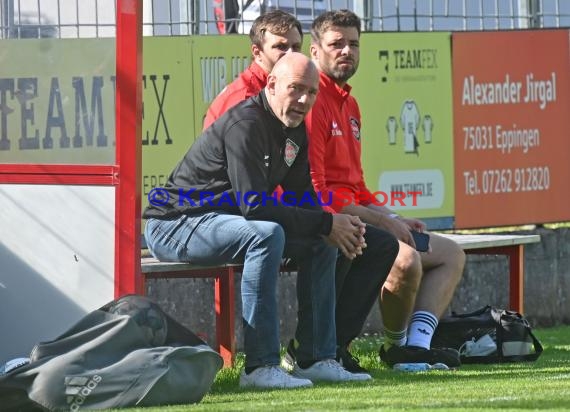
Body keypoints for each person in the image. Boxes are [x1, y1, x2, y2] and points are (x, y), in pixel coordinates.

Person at [143, 52, 372, 389]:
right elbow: (255, 207)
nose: (304, 100)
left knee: (323, 242)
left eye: (311, 92)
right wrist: (326, 224)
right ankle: (260, 366)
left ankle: (315, 358)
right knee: (267, 234)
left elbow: (303, 199)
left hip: (222, 223)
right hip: (176, 224)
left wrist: (333, 225)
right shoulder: (246, 124)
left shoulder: (294, 130)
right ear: (272, 84)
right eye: (296, 89)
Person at [305, 10, 465, 369]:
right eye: (336, 44)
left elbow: (357, 184)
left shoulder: (351, 104)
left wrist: (394, 216)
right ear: (315, 51)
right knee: (406, 259)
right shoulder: (312, 103)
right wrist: (382, 221)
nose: (346, 51)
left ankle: (416, 347)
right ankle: (396, 348)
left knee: (451, 253)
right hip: (332, 222)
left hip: (360, 217)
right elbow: (318, 193)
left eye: (354, 44)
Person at [203, 10, 303, 130]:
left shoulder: (280, 86)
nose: (291, 53)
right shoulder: (246, 99)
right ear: (257, 52)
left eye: (296, 47)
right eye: (280, 47)